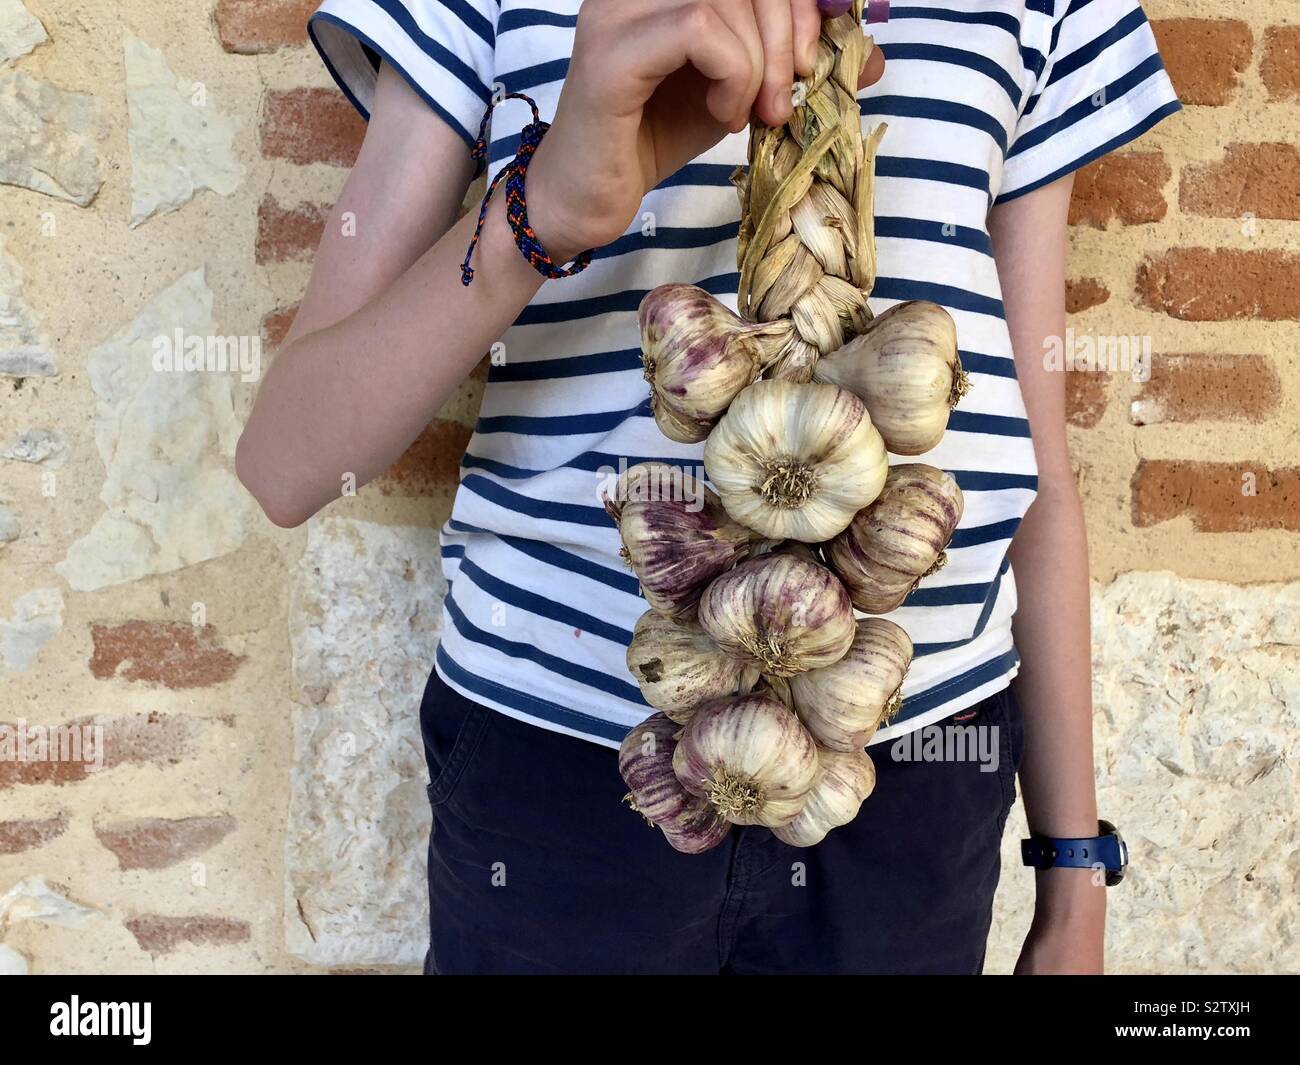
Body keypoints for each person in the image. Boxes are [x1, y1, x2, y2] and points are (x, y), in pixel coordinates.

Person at [236, 0, 1179, 974]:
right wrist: (542, 212)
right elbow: (286, 463)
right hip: (563, 765)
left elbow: (1039, 470)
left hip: (914, 766)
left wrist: (1073, 871)